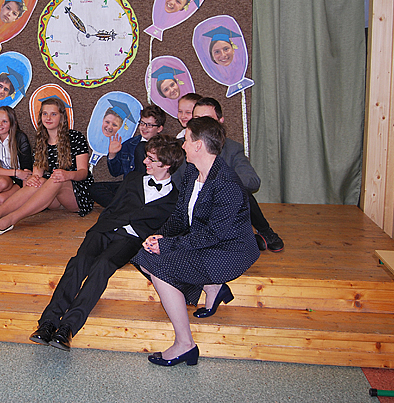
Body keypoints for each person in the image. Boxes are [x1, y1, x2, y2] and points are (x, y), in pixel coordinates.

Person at [29, 135, 184, 351]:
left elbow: (169, 230)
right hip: (105, 229)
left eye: (151, 159)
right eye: (146, 157)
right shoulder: (133, 178)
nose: (144, 161)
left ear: (166, 165)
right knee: (79, 262)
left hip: (130, 239)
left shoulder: (174, 199)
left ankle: (68, 328)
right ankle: (48, 323)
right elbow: (113, 206)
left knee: (102, 266)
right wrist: (100, 227)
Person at [132, 116, 260, 366]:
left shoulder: (227, 184)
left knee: (159, 266)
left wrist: (167, 246)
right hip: (204, 243)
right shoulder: (192, 172)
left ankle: (185, 344)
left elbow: (213, 235)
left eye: (187, 140)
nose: (183, 145)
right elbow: (181, 216)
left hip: (228, 251)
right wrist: (160, 236)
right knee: (143, 255)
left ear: (199, 145)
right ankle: (212, 286)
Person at [0, 96, 93, 236]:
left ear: (62, 117)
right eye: (44, 114)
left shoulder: (76, 137)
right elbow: (37, 173)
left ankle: (10, 220)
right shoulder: (41, 141)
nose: (48, 118)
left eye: (53, 114)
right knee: (37, 181)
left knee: (56, 178)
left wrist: (67, 175)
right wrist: (33, 178)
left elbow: (83, 173)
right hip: (53, 197)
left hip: (76, 195)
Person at [177, 97, 284, 252]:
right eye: (197, 119)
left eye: (208, 119)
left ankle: (265, 231)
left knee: (242, 191)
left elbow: (252, 181)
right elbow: (175, 183)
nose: (202, 124)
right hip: (191, 208)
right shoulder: (182, 146)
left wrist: (219, 185)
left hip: (222, 208)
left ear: (220, 121)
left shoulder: (233, 148)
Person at [90, 104, 167, 208]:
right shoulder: (130, 144)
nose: (144, 128)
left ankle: (122, 208)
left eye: (149, 125)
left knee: (141, 147)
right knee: (94, 188)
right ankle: (124, 209)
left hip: (150, 188)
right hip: (129, 186)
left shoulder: (166, 146)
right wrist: (112, 154)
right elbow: (115, 172)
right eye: (142, 123)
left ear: (159, 128)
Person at [0, 106, 34, 206]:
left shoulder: (20, 138)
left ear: (12, 123)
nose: (0, 124)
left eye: (4, 121)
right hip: (5, 177)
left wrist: (25, 193)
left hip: (20, 179)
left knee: (0, 201)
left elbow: (27, 168)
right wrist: (16, 173)